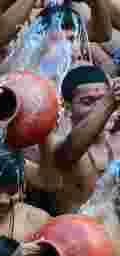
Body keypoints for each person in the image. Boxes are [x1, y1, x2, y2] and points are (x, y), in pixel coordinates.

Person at [48, 65, 120, 215]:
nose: (98, 108)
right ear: (67, 107)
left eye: (102, 100)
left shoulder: (117, 139)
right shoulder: (56, 141)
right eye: (88, 102)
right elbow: (68, 154)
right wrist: (109, 101)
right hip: (76, 234)